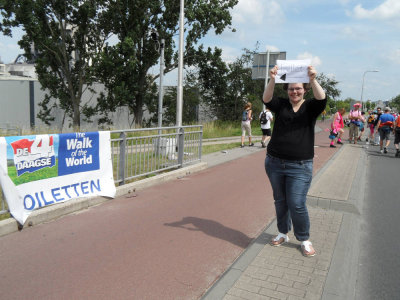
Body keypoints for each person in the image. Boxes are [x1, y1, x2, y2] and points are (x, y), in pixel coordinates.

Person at [262, 64, 326, 257]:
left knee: (296, 203)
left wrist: (313, 79)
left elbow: (321, 99)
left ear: (305, 89)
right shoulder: (281, 105)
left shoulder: (310, 107)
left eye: (298, 88)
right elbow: (266, 99)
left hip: (300, 166)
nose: (295, 91)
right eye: (291, 88)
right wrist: (272, 78)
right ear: (287, 90)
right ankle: (283, 233)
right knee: (280, 201)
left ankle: (304, 238)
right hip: (274, 162)